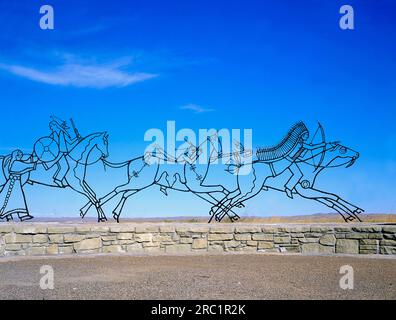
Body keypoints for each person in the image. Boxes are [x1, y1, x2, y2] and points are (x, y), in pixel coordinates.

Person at [284, 130, 326, 198]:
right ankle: (288, 189)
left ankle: (288, 188)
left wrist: (306, 148)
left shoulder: (300, 143)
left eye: (308, 135)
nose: (307, 137)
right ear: (302, 135)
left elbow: (301, 154)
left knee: (298, 174)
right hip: (287, 161)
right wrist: (323, 144)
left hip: (290, 161)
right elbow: (311, 148)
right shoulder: (299, 143)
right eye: (306, 135)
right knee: (298, 174)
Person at [0, 150, 37, 221]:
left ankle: (18, 215)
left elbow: (25, 169)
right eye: (20, 155)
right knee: (10, 199)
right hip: (13, 184)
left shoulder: (15, 162)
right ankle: (21, 215)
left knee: (14, 199)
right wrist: (35, 163)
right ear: (16, 155)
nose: (21, 157)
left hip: (15, 183)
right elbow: (26, 166)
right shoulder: (15, 163)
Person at [45, 117, 79, 187]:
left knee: (64, 167)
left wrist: (77, 138)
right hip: (58, 153)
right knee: (65, 167)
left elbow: (70, 142)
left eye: (51, 126)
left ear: (55, 125)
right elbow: (48, 143)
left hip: (61, 152)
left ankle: (58, 179)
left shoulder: (62, 133)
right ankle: (58, 179)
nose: (51, 128)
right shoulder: (53, 135)